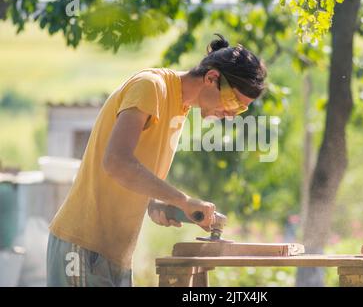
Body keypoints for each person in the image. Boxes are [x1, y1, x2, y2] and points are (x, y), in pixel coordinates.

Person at [46, 33, 267, 286]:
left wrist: (157, 205)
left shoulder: (179, 110)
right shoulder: (151, 87)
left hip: (114, 255)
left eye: (240, 109)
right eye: (232, 101)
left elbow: (130, 180)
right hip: (83, 247)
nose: (230, 114)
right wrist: (181, 200)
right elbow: (116, 162)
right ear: (212, 77)